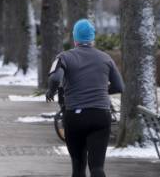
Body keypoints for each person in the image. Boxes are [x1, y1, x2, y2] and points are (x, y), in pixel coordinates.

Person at [47, 19, 123, 177]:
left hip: (75, 117)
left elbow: (55, 78)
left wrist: (51, 91)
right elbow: (119, 87)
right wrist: (100, 91)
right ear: (92, 38)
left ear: (75, 38)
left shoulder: (64, 57)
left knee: (78, 167)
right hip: (100, 116)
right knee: (97, 167)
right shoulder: (106, 58)